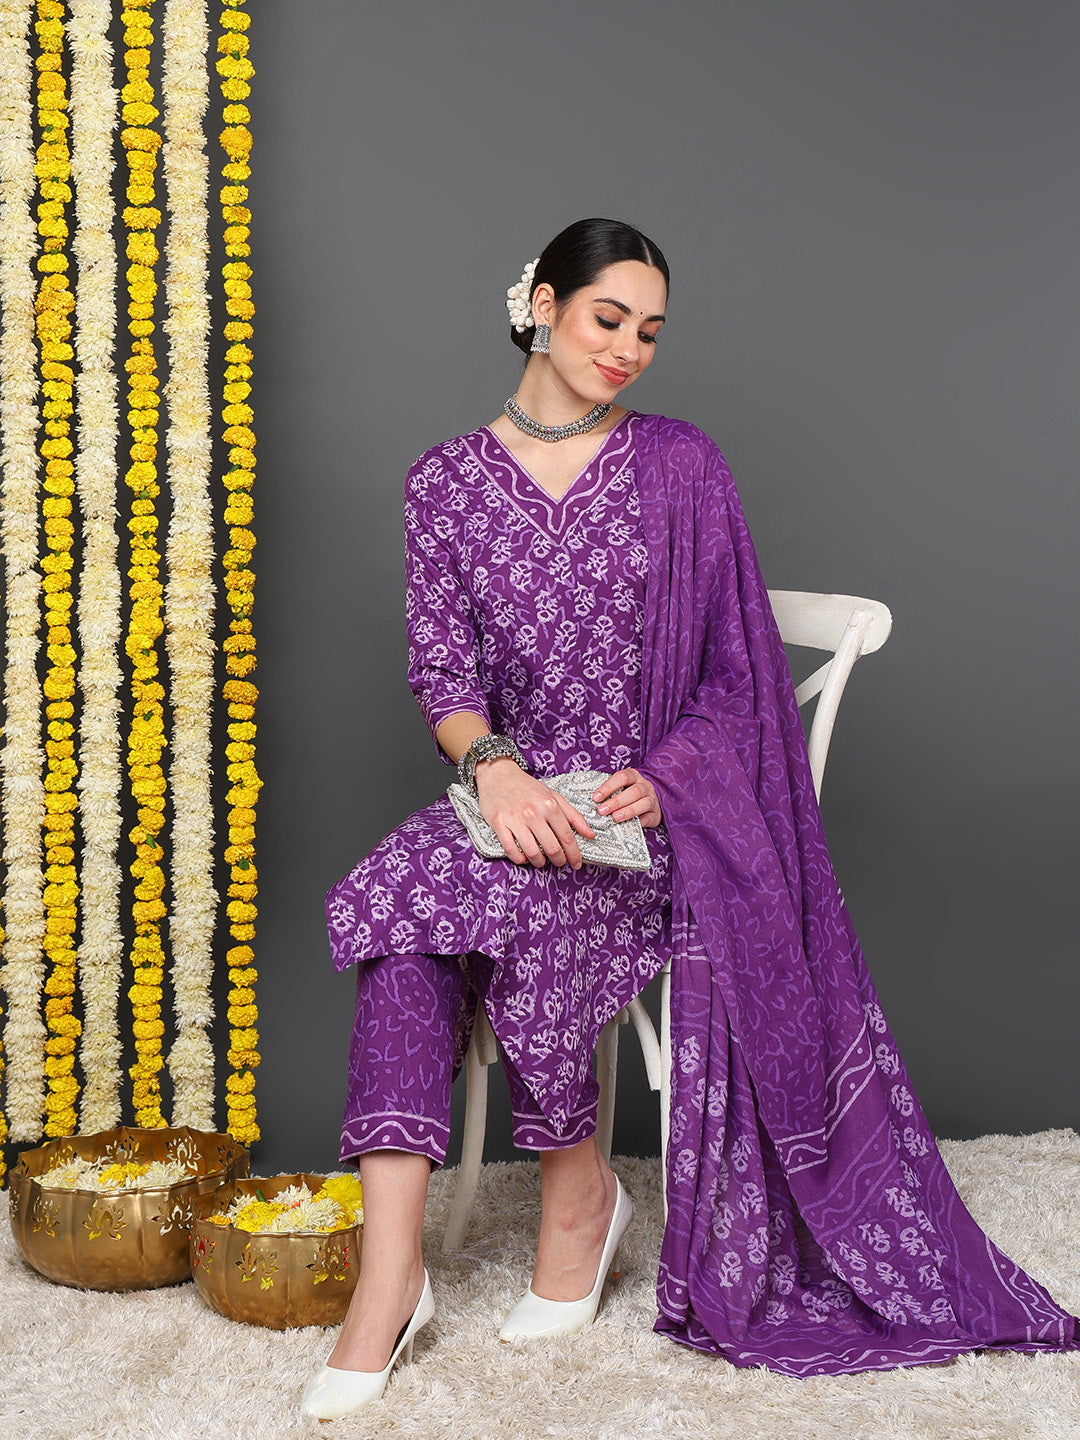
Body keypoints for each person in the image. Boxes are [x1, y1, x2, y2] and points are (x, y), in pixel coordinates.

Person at [302, 219, 1078, 1421]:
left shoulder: (681, 466)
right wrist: (497, 775)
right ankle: (390, 1278)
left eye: (650, 332)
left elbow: (735, 672)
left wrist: (664, 778)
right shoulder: (444, 482)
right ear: (543, 305)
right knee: (404, 912)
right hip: (512, 795)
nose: (628, 349)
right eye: (607, 318)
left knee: (515, 902)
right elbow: (443, 674)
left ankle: (576, 1202)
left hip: (654, 819)